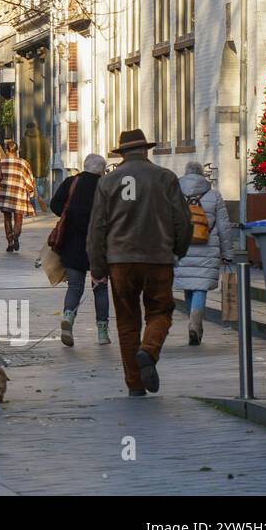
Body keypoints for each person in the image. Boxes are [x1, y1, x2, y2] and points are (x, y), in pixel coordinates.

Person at [87, 129, 192, 396]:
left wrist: (98, 267)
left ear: (121, 153)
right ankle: (149, 350)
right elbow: (183, 221)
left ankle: (134, 384)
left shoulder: (107, 181)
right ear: (146, 150)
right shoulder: (165, 178)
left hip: (120, 261)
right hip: (157, 258)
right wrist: (177, 250)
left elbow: (98, 227)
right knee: (160, 311)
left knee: (126, 321)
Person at [50, 153, 111, 347]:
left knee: (75, 287)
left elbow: (55, 205)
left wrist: (68, 215)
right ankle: (102, 333)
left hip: (73, 244)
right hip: (98, 246)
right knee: (100, 288)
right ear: (101, 170)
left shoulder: (71, 182)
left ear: (85, 166)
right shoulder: (105, 186)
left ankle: (68, 316)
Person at [175, 160, 235, 346]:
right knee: (200, 286)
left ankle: (193, 321)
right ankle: (195, 323)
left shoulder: (175, 194)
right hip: (207, 248)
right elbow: (224, 227)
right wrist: (228, 254)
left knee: (188, 284)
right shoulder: (214, 195)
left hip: (182, 248)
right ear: (202, 175)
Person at [0, 139, 35, 253]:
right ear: (17, 150)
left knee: (7, 218)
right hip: (19, 194)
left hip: (5, 194)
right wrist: (31, 191)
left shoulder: (1, 162)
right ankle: (16, 236)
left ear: (6, 150)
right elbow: (29, 180)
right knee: (18, 218)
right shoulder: (24, 163)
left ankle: (10, 241)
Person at [23, 120, 51, 207]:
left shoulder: (24, 140)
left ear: (27, 128)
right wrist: (45, 163)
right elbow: (47, 152)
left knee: (30, 185)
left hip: (28, 165)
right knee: (40, 184)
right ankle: (41, 198)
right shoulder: (43, 139)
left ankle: (32, 203)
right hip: (41, 166)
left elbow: (22, 153)